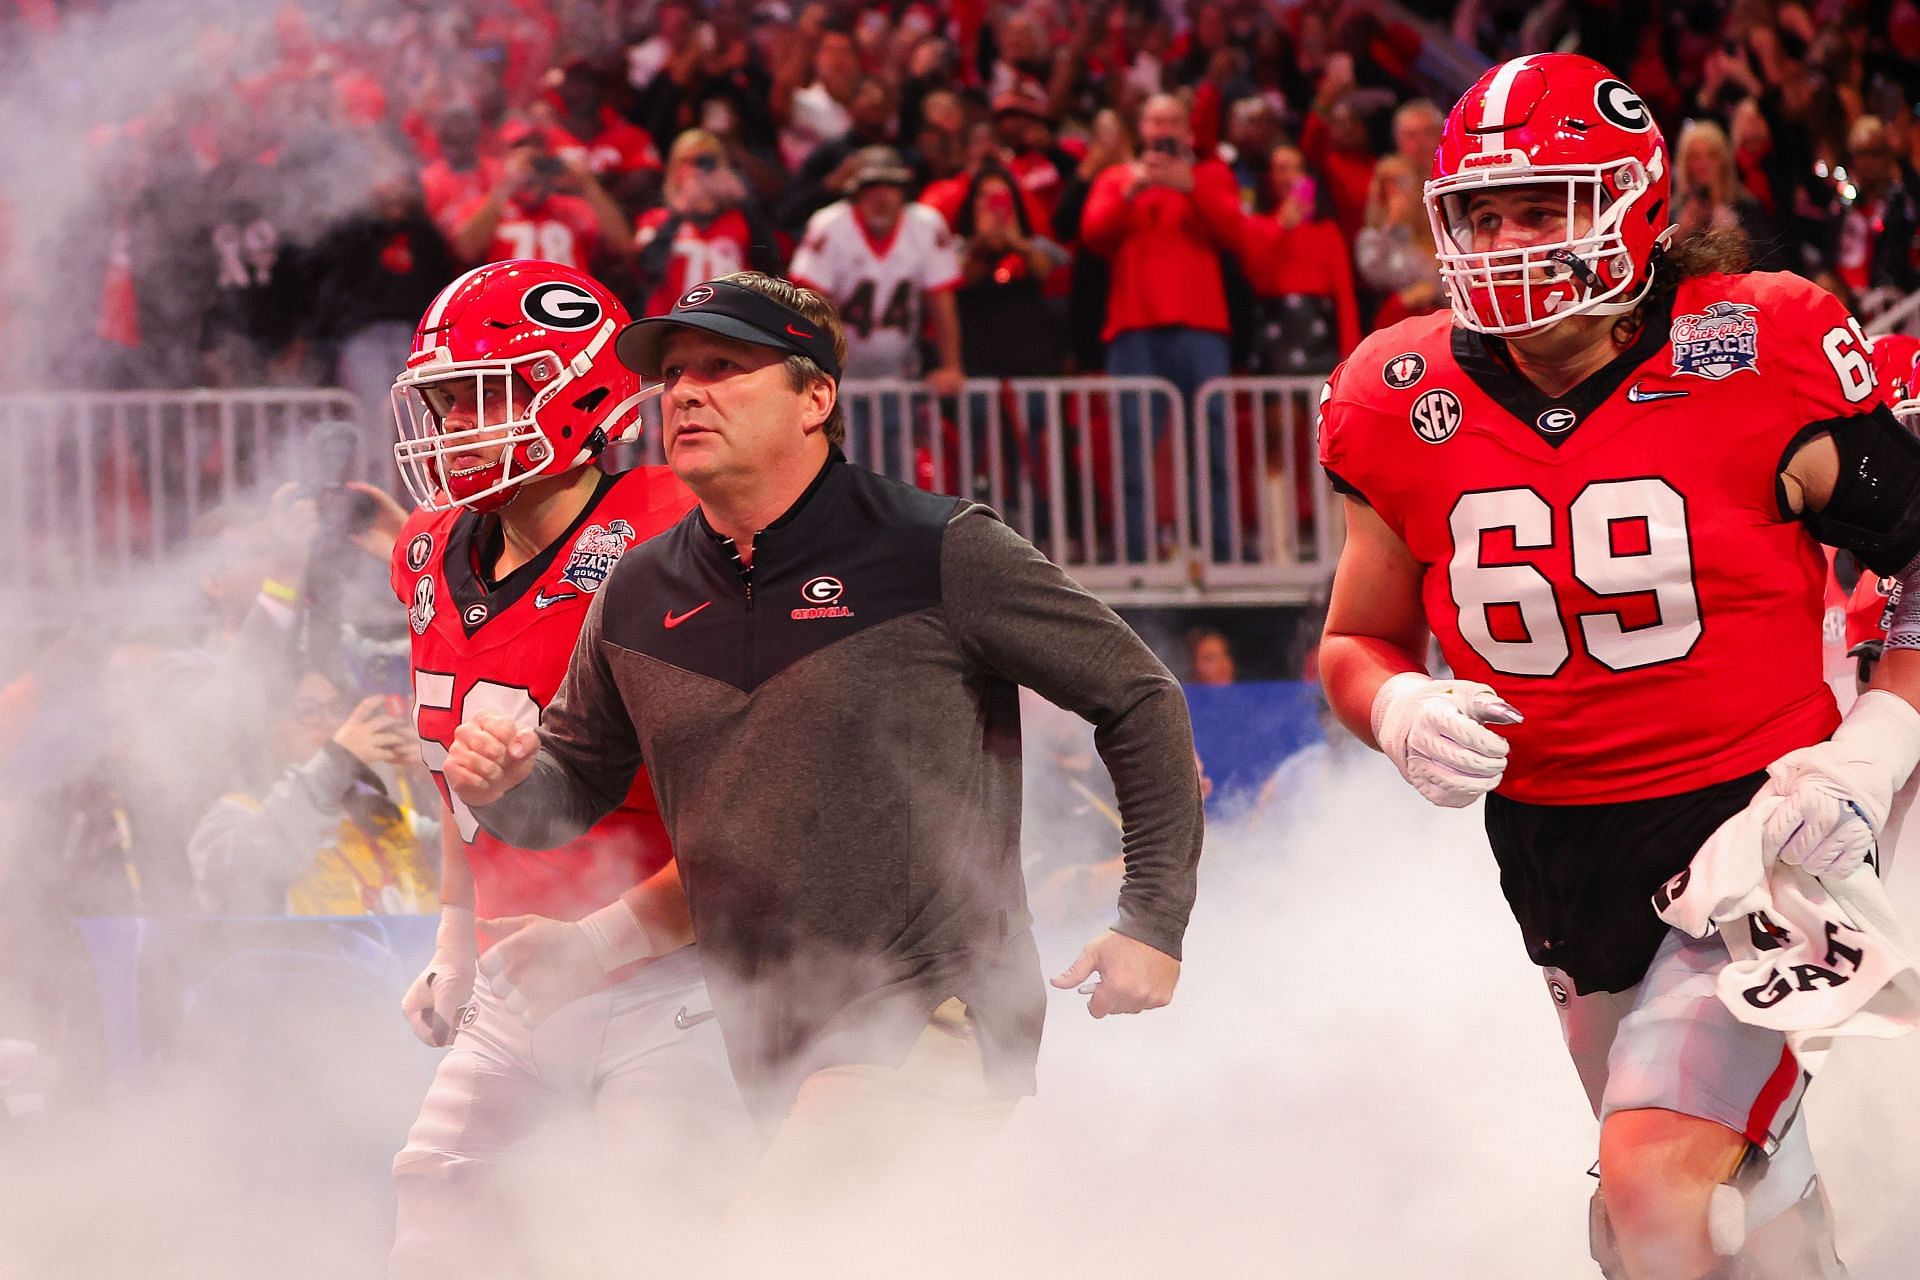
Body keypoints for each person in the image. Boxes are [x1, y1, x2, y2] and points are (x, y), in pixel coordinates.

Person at [1317, 54, 1920, 1280]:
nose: (1506, 240)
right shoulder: (1397, 391)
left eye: (1541, 206)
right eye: (1482, 213)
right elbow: (1353, 637)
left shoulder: (1758, 345)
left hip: (1758, 823)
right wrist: (1398, 702)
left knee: (1656, 1189)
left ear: (1633, 204)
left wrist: (1876, 740)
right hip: (1554, 852)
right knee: (1690, 1219)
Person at [440, 271, 1203, 1220]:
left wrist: (1152, 922)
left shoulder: (936, 548)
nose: (684, 392)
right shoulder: (637, 592)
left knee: (774, 1246)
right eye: (674, 373)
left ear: (816, 397)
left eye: (724, 366)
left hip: (935, 1007)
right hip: (761, 1039)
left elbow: (1138, 696)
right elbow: (571, 793)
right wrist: (507, 783)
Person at [384, 259, 747, 1277]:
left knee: (660, 1233)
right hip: (519, 974)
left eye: (482, 396)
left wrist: (596, 943)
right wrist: (457, 935)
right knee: (437, 1204)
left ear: (576, 393)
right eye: (444, 400)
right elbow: (453, 769)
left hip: (679, 966)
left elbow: (747, 804)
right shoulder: (425, 551)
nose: (454, 424)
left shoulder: (678, 527)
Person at [1081, 93, 1247, 564]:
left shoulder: (1210, 176)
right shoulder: (1118, 178)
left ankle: (1221, 550)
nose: (1164, 129)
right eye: (1155, 120)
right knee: (1132, 446)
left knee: (1213, 443)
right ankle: (1136, 553)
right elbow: (1092, 235)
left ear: (1187, 130)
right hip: (1135, 326)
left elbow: (1237, 235)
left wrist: (1190, 187)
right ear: (1142, 128)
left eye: (1173, 120)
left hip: (1202, 325)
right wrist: (1133, 188)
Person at [188, 669, 438, 915]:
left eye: (337, 709)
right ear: (268, 730)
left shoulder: (388, 818)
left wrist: (441, 780)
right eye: (307, 711)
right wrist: (335, 764)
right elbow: (238, 880)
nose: (330, 723)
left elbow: (470, 870)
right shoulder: (236, 816)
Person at [787, 146, 964, 478]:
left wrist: (951, 365)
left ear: (903, 192)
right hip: (841, 380)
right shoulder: (830, 225)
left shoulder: (925, 225)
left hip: (900, 375)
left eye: (890, 187)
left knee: (895, 473)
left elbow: (941, 301)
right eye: (871, 188)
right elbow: (811, 307)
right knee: (839, 469)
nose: (881, 197)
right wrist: (818, 370)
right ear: (856, 192)